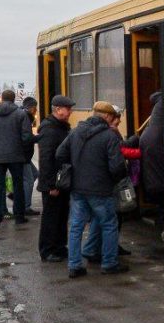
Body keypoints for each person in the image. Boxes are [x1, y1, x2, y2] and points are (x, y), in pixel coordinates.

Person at [56, 101, 128, 277]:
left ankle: (74, 266)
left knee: (76, 227)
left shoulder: (75, 132)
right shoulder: (109, 136)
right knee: (109, 225)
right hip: (101, 190)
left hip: (78, 189)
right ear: (107, 116)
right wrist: (114, 180)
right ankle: (109, 263)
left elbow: (59, 154)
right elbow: (117, 167)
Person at [83, 104, 141, 261]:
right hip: (109, 183)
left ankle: (98, 248)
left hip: (100, 183)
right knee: (110, 219)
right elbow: (118, 155)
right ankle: (105, 255)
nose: (119, 122)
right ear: (109, 117)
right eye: (116, 119)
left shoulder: (96, 132)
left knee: (106, 218)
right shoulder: (109, 133)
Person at [0, 90, 34, 228]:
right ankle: (19, 216)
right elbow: (27, 137)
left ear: (1, 99)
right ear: (14, 99)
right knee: (18, 186)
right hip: (16, 156)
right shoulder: (21, 114)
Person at [36, 95, 75, 262]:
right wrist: (51, 184)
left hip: (62, 180)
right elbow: (46, 159)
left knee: (61, 214)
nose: (71, 111)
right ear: (58, 109)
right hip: (53, 183)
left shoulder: (61, 127)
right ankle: (47, 250)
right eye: (68, 108)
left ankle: (59, 246)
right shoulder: (50, 129)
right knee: (51, 216)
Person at [139, 91, 164, 226]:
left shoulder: (158, 104)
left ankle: (162, 216)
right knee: (160, 183)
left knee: (156, 179)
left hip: (148, 139)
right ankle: (163, 219)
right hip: (156, 142)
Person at [20, 96, 41, 216]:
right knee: (28, 180)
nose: (36, 110)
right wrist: (38, 138)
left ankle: (19, 196)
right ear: (32, 108)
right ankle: (26, 207)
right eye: (35, 108)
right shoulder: (26, 117)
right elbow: (26, 138)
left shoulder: (23, 115)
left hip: (24, 155)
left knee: (35, 174)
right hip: (23, 155)